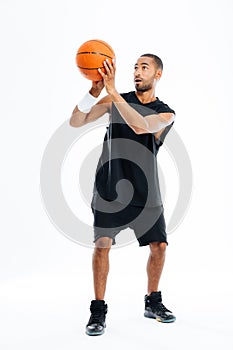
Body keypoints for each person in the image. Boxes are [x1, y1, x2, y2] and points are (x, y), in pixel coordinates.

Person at [69, 54, 176, 336]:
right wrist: (93, 93)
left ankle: (153, 302)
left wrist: (112, 91)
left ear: (158, 74)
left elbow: (142, 126)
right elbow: (76, 121)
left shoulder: (166, 113)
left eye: (145, 67)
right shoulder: (115, 99)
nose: (138, 72)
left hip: (146, 190)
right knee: (102, 244)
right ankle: (98, 310)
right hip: (110, 187)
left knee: (160, 247)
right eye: (135, 67)